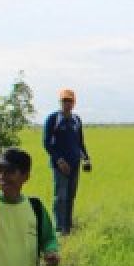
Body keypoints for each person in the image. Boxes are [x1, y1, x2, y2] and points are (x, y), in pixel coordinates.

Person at [43, 88, 91, 235]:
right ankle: (59, 229)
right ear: (60, 102)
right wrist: (59, 160)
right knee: (60, 197)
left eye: (69, 100)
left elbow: (80, 142)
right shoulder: (53, 119)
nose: (67, 103)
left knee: (71, 195)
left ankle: (68, 227)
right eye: (64, 100)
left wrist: (86, 158)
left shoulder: (76, 120)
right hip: (60, 166)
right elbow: (47, 143)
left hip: (75, 163)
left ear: (74, 102)